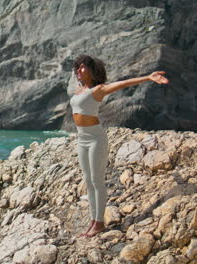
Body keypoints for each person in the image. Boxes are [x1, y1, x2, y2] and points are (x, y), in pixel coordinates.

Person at [69, 55, 169, 237]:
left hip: (95, 139)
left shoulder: (98, 90)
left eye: (83, 67)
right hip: (81, 139)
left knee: (97, 180)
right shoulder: (78, 90)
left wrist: (148, 77)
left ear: (92, 70)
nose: (79, 71)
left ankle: (99, 223)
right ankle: (93, 220)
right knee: (88, 181)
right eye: (78, 68)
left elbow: (123, 84)